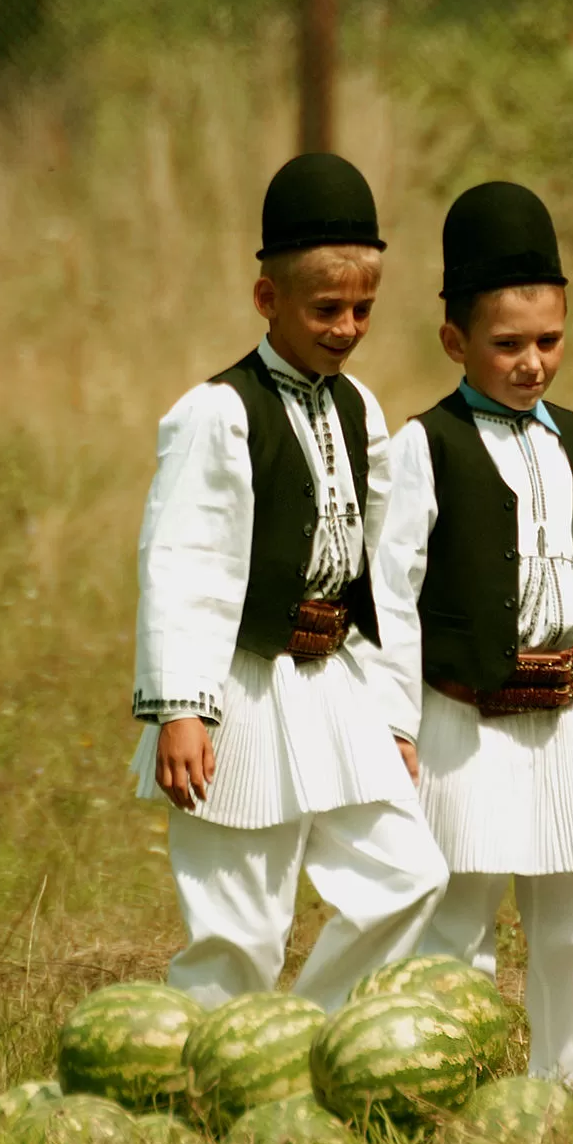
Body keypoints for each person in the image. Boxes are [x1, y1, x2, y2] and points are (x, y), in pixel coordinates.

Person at [373, 180, 573, 1094]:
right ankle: (453, 1077)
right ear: (455, 342)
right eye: (507, 345)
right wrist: (395, 727)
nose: (531, 363)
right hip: (464, 724)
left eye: (549, 341)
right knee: (456, 912)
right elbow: (392, 596)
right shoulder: (421, 448)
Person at [128, 152, 447, 1011]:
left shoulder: (362, 410)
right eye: (325, 309)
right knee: (240, 926)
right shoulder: (216, 414)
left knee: (410, 875)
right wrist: (181, 706)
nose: (346, 327)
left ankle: (305, 1036)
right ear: (268, 300)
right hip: (239, 690)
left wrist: (392, 714)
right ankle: (204, 1080)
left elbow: (382, 579)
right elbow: (182, 560)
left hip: (336, 685)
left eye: (363, 310)